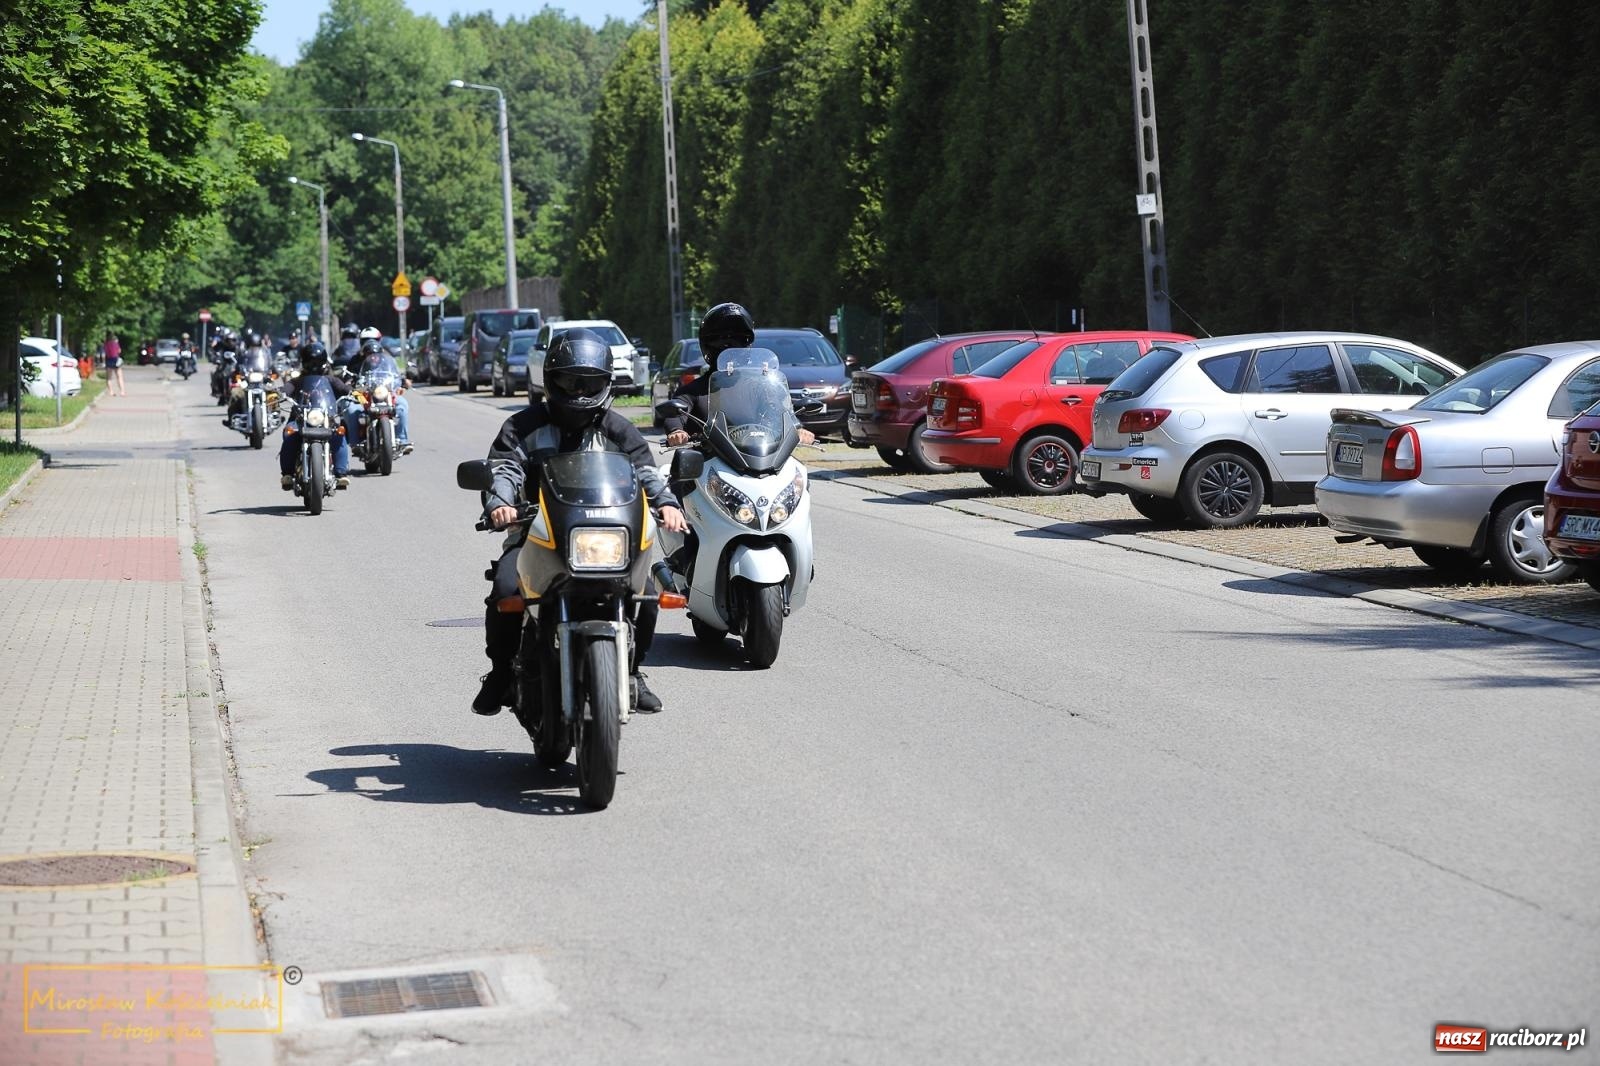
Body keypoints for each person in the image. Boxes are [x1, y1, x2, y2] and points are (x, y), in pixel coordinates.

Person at [474, 328, 689, 716]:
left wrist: (667, 503)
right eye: (569, 380)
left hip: (608, 538)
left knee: (648, 592)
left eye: (587, 382)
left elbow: (646, 471)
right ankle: (501, 672)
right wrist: (500, 502)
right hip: (537, 534)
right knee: (506, 587)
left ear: (605, 383)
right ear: (551, 379)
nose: (577, 390)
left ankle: (633, 672)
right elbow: (504, 468)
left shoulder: (617, 429)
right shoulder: (522, 426)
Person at [663, 302, 814, 447]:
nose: (731, 347)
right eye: (722, 340)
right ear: (708, 344)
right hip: (707, 464)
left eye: (738, 340)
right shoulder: (692, 391)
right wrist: (677, 431)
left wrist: (797, 428)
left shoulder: (760, 388)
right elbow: (676, 415)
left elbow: (780, 411)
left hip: (762, 458)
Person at [277, 341, 352, 491]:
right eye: (311, 362)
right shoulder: (298, 381)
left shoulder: (331, 380)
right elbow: (285, 389)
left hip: (326, 419)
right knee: (289, 433)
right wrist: (275, 393)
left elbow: (344, 389)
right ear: (304, 362)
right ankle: (287, 474)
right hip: (300, 420)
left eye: (317, 362)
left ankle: (340, 473)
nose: (314, 365)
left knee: (339, 433)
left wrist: (353, 391)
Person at [341, 338, 414, 453]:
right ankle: (356, 444)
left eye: (375, 354)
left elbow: (395, 376)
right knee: (352, 410)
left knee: (402, 405)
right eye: (369, 354)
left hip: (386, 396)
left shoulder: (386, 366)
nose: (373, 357)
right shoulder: (360, 367)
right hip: (364, 397)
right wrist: (351, 383)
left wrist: (403, 382)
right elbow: (349, 380)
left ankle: (402, 440)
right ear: (365, 355)